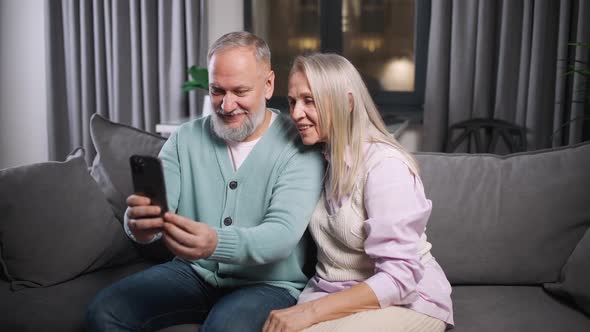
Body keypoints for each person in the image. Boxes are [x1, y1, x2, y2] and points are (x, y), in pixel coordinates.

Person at [86, 31, 325, 332]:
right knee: (104, 310)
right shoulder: (184, 138)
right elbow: (159, 220)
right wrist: (139, 226)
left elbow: (280, 236)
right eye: (217, 91)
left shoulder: (301, 148)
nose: (226, 105)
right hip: (191, 273)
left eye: (240, 91)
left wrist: (215, 243)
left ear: (268, 85)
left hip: (268, 284)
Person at [263, 53, 454, 332]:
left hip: (404, 300)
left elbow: (399, 278)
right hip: (331, 292)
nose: (296, 113)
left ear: (348, 103)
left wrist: (310, 312)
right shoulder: (314, 157)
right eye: (292, 101)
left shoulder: (385, 166)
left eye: (309, 100)